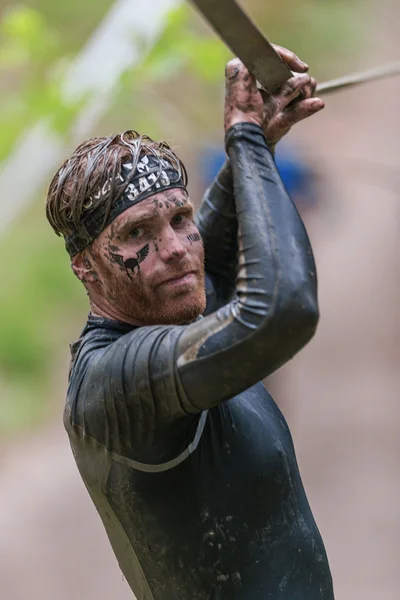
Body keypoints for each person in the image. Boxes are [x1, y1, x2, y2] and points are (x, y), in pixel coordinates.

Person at [46, 45, 333, 599]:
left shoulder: (167, 305)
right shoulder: (115, 384)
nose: (177, 249)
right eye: (136, 235)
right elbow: (284, 308)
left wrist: (259, 137)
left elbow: (215, 253)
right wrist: (246, 140)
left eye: (181, 218)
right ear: (85, 266)